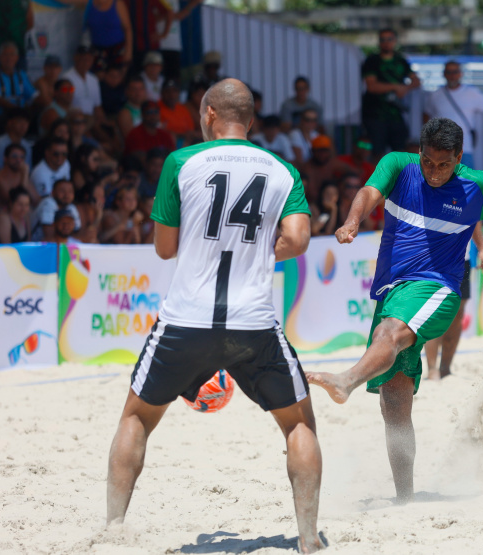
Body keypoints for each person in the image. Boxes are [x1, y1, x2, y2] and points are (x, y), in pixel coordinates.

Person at [306, 117, 483, 503]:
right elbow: (369, 193)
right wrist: (353, 220)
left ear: (458, 157)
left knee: (391, 333)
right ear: (420, 152)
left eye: (444, 164)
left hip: (437, 287)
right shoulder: (399, 166)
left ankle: (346, 381)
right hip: (393, 290)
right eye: (428, 162)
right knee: (394, 403)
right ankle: (405, 496)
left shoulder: (478, 184)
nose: (434, 172)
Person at [106, 78, 324, 553]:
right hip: (252, 321)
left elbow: (164, 249)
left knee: (137, 417)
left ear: (208, 114)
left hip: (185, 319)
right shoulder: (283, 170)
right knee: (299, 425)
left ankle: (114, 528)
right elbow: (300, 240)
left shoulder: (181, 162)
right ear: (250, 119)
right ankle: (308, 538)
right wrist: (259, 249)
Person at [424, 221, 483, 379]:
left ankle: (445, 368)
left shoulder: (468, 197)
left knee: (457, 315)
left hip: (462, 259)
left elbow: (474, 218)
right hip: (435, 258)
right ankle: (432, 369)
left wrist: (482, 249)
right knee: (435, 313)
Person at [423, 61, 483, 169]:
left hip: (464, 147)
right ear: (444, 74)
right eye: (449, 72)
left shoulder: (471, 92)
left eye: (455, 72)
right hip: (440, 149)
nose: (452, 76)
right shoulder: (436, 95)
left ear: (460, 74)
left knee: (467, 181)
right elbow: (426, 114)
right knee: (443, 183)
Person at [360, 28, 421, 160]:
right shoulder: (372, 60)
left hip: (396, 115)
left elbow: (416, 81)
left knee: (401, 152)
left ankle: (401, 180)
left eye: (389, 39)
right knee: (377, 153)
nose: (386, 42)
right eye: (383, 39)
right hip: (375, 115)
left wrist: (405, 88)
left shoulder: (401, 60)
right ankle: (379, 180)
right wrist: (396, 87)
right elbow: (371, 86)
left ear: (395, 41)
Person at [299, 135, 358, 203]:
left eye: (325, 150)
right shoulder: (307, 169)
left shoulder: (332, 163)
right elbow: (312, 195)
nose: (322, 154)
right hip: (315, 204)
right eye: (319, 151)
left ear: (329, 151)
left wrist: (343, 185)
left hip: (335, 200)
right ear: (313, 151)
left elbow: (354, 172)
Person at [0, 143, 36, 214]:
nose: (19, 160)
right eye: (14, 156)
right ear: (5, 159)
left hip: (18, 216)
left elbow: (37, 200)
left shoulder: (21, 174)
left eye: (22, 157)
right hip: (1, 217)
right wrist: (25, 174)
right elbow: (16, 201)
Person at [0, 42, 36, 112]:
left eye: (12, 55)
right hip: (1, 115)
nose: (9, 58)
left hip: (21, 113)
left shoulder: (22, 74)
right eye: (5, 55)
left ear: (17, 58)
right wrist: (16, 110)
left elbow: (33, 96)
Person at [62, 46, 105, 125]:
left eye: (89, 60)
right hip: (74, 121)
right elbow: (64, 101)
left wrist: (101, 121)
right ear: (76, 58)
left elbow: (97, 106)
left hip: (92, 121)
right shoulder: (66, 79)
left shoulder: (94, 80)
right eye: (84, 59)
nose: (87, 62)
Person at [0, 108, 30, 172]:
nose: (23, 125)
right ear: (10, 122)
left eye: (26, 122)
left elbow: (27, 171)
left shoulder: (27, 146)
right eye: (19, 121)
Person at [158, 79, 195, 146]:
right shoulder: (156, 108)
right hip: (166, 144)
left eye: (174, 91)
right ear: (162, 93)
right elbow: (160, 131)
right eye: (168, 91)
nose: (171, 95)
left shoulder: (182, 108)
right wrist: (180, 134)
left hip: (186, 142)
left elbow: (190, 131)